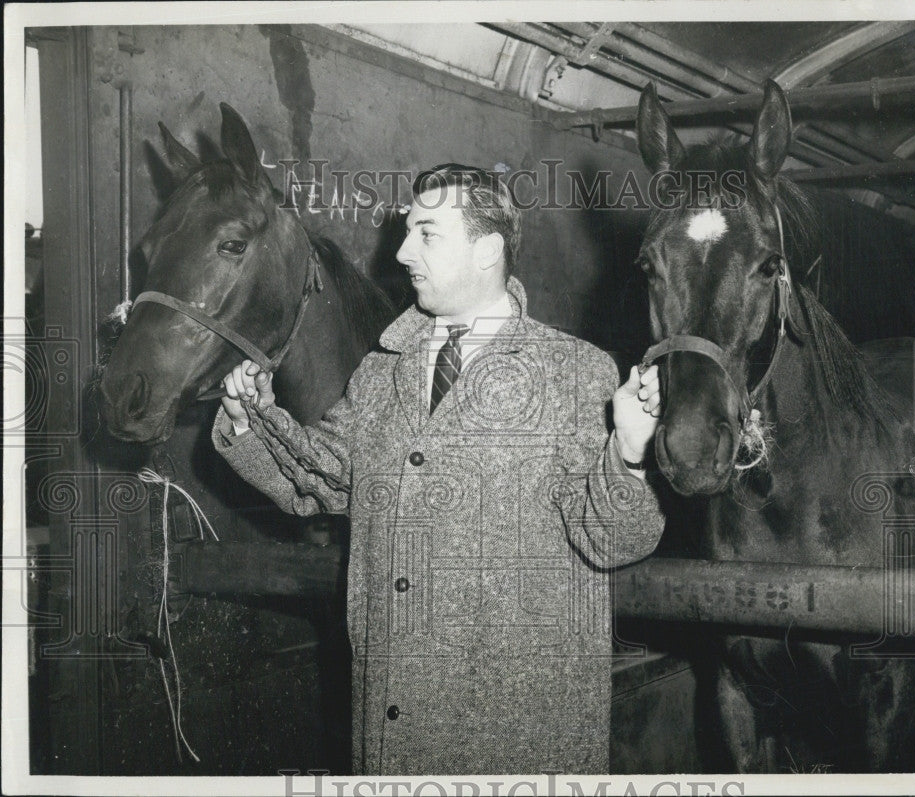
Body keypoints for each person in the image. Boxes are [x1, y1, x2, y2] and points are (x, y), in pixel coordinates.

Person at [213, 164, 665, 775]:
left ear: (487, 249)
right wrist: (251, 419)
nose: (401, 252)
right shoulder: (379, 374)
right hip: (394, 725)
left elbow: (612, 539)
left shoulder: (573, 372)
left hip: (522, 736)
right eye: (406, 231)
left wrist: (628, 451)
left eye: (427, 233)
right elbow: (320, 481)